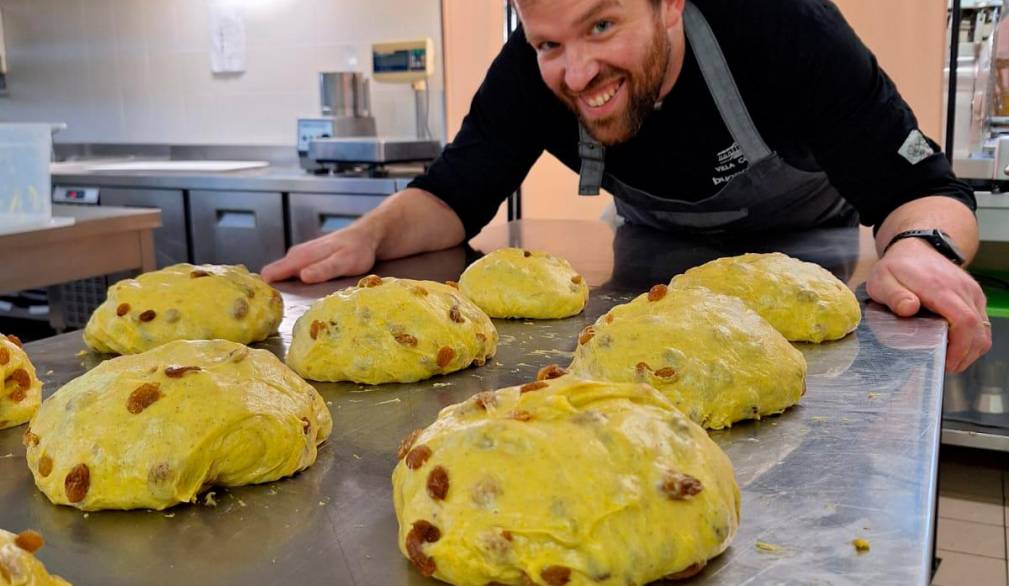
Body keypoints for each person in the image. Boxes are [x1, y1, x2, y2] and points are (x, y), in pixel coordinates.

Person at [262, 0, 990, 372]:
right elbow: (452, 195)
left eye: (602, 24)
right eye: (549, 42)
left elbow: (921, 191)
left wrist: (922, 247)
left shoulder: (781, 29)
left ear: (668, 3)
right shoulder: (527, 72)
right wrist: (368, 235)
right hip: (649, 266)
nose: (575, 73)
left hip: (810, 261)